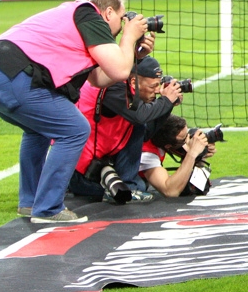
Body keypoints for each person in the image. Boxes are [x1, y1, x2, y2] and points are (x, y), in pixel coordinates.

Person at [0, 0, 150, 223]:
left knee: (39, 130)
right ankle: (48, 209)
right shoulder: (91, 16)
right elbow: (121, 72)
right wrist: (130, 38)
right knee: (75, 129)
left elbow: (99, 79)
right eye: (122, 19)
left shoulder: (77, 18)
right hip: (14, 74)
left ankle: (31, 202)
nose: (122, 26)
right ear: (109, 12)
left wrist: (135, 56)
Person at [70, 56, 181, 204]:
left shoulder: (125, 87)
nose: (157, 91)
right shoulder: (113, 89)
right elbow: (140, 116)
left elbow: (146, 132)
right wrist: (166, 101)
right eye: (153, 86)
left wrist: (168, 105)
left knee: (139, 185)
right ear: (134, 82)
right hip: (81, 170)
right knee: (130, 190)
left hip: (100, 160)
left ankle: (125, 182)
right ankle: (121, 185)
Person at [138, 114, 213, 197]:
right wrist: (192, 153)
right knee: (140, 186)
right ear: (168, 146)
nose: (188, 140)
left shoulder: (157, 134)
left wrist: (201, 153)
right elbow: (170, 192)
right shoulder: (147, 154)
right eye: (184, 139)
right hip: (129, 182)